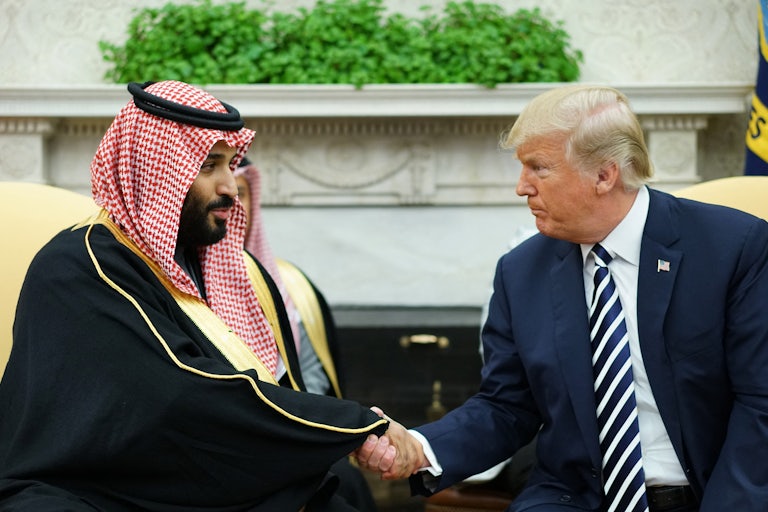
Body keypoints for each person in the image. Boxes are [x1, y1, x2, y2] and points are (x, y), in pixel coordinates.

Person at [356, 84, 768, 511]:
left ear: (604, 175)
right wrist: (419, 446)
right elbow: (505, 406)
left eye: (539, 168)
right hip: (575, 498)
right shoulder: (521, 272)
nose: (521, 187)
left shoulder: (732, 249)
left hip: (707, 492)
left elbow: (761, 404)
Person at [0, 80, 388, 512]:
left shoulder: (222, 268)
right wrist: (354, 425)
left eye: (231, 165)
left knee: (335, 491)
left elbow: (270, 384)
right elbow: (182, 392)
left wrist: (349, 433)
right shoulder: (81, 265)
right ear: (155, 172)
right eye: (209, 165)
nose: (229, 187)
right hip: (94, 487)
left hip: (192, 474)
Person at [234, 158, 378, 510]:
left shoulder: (287, 284)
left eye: (241, 193)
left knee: (347, 482)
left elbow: (312, 377)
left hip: (290, 428)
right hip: (228, 441)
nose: (232, 204)